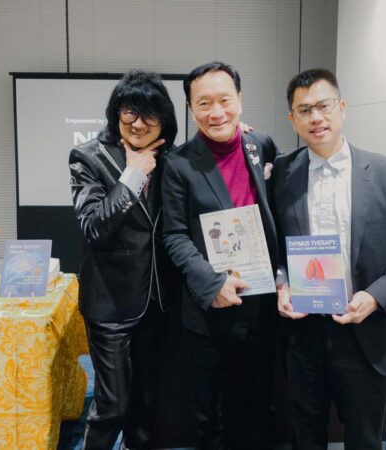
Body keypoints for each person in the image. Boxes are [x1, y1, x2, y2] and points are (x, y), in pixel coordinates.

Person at [271, 68, 386, 450]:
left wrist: (377, 296)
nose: (316, 117)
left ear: (342, 107)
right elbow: (277, 246)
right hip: (305, 331)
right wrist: (282, 282)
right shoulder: (282, 174)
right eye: (304, 110)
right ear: (292, 119)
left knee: (365, 438)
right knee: (305, 435)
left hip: (366, 332)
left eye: (323, 105)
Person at [161, 61, 279, 450]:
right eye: (204, 103)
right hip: (212, 309)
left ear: (240, 101)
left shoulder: (259, 144)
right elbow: (175, 235)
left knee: (259, 407)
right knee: (209, 415)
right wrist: (212, 284)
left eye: (225, 100)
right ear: (191, 109)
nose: (217, 112)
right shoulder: (178, 164)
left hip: (262, 304)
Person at [69, 70, 177, 450]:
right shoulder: (88, 157)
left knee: (147, 402)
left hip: (158, 302)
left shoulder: (171, 159)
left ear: (165, 119)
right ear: (116, 113)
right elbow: (94, 227)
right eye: (130, 112)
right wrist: (132, 176)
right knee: (113, 404)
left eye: (150, 114)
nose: (139, 123)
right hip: (110, 303)